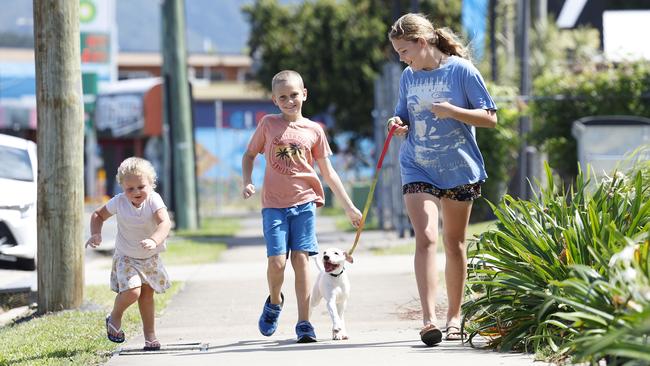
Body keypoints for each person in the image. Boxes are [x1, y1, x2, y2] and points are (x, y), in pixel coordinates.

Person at [387, 13, 497, 346]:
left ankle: (454, 317)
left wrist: (452, 111)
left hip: (458, 168)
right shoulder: (409, 76)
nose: (403, 59)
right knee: (426, 237)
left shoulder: (462, 71)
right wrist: (398, 123)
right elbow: (402, 114)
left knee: (454, 243)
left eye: (405, 51)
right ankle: (428, 319)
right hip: (417, 164)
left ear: (422, 43)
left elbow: (489, 118)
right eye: (399, 54)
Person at [241, 70, 362, 343]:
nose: (289, 101)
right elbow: (249, 155)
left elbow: (328, 173)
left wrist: (349, 207)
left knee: (301, 260)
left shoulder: (314, 130)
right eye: (282, 97)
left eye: (294, 95)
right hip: (273, 204)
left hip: (305, 203)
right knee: (276, 261)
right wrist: (247, 181)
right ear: (274, 100)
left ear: (304, 94)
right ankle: (274, 302)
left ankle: (304, 322)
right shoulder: (268, 125)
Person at [85, 157, 172, 351]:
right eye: (129, 188)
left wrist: (154, 240)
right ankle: (115, 316)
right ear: (122, 187)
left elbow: (164, 222)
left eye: (141, 186)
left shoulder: (154, 200)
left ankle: (150, 337)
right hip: (127, 256)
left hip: (150, 256)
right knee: (133, 291)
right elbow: (98, 215)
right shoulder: (119, 202)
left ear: (151, 184)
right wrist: (96, 233)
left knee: (147, 296)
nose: (136, 192)